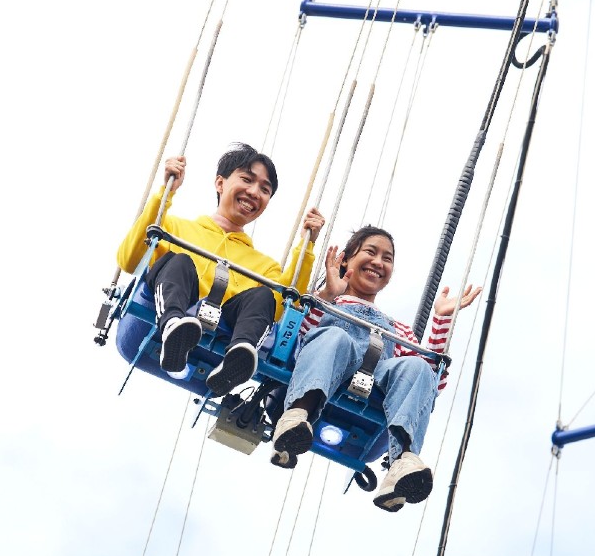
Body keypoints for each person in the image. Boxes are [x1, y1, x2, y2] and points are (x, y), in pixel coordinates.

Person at [269, 226, 481, 512]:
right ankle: (297, 417)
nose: (379, 262)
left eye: (387, 258)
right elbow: (296, 337)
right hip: (330, 366)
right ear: (345, 259)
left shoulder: (399, 329)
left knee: (417, 366)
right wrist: (328, 296)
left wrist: (441, 320)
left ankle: (402, 461)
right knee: (335, 336)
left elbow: (430, 384)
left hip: (376, 382)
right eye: (370, 252)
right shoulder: (327, 301)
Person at [117, 143, 324, 396]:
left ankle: (239, 356)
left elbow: (285, 308)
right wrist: (165, 192)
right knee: (180, 261)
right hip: (170, 304)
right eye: (247, 180)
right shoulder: (173, 227)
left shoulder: (265, 266)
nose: (254, 192)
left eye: (264, 189)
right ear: (220, 183)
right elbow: (129, 260)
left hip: (226, 320)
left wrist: (307, 246)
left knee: (263, 296)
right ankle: (173, 327)